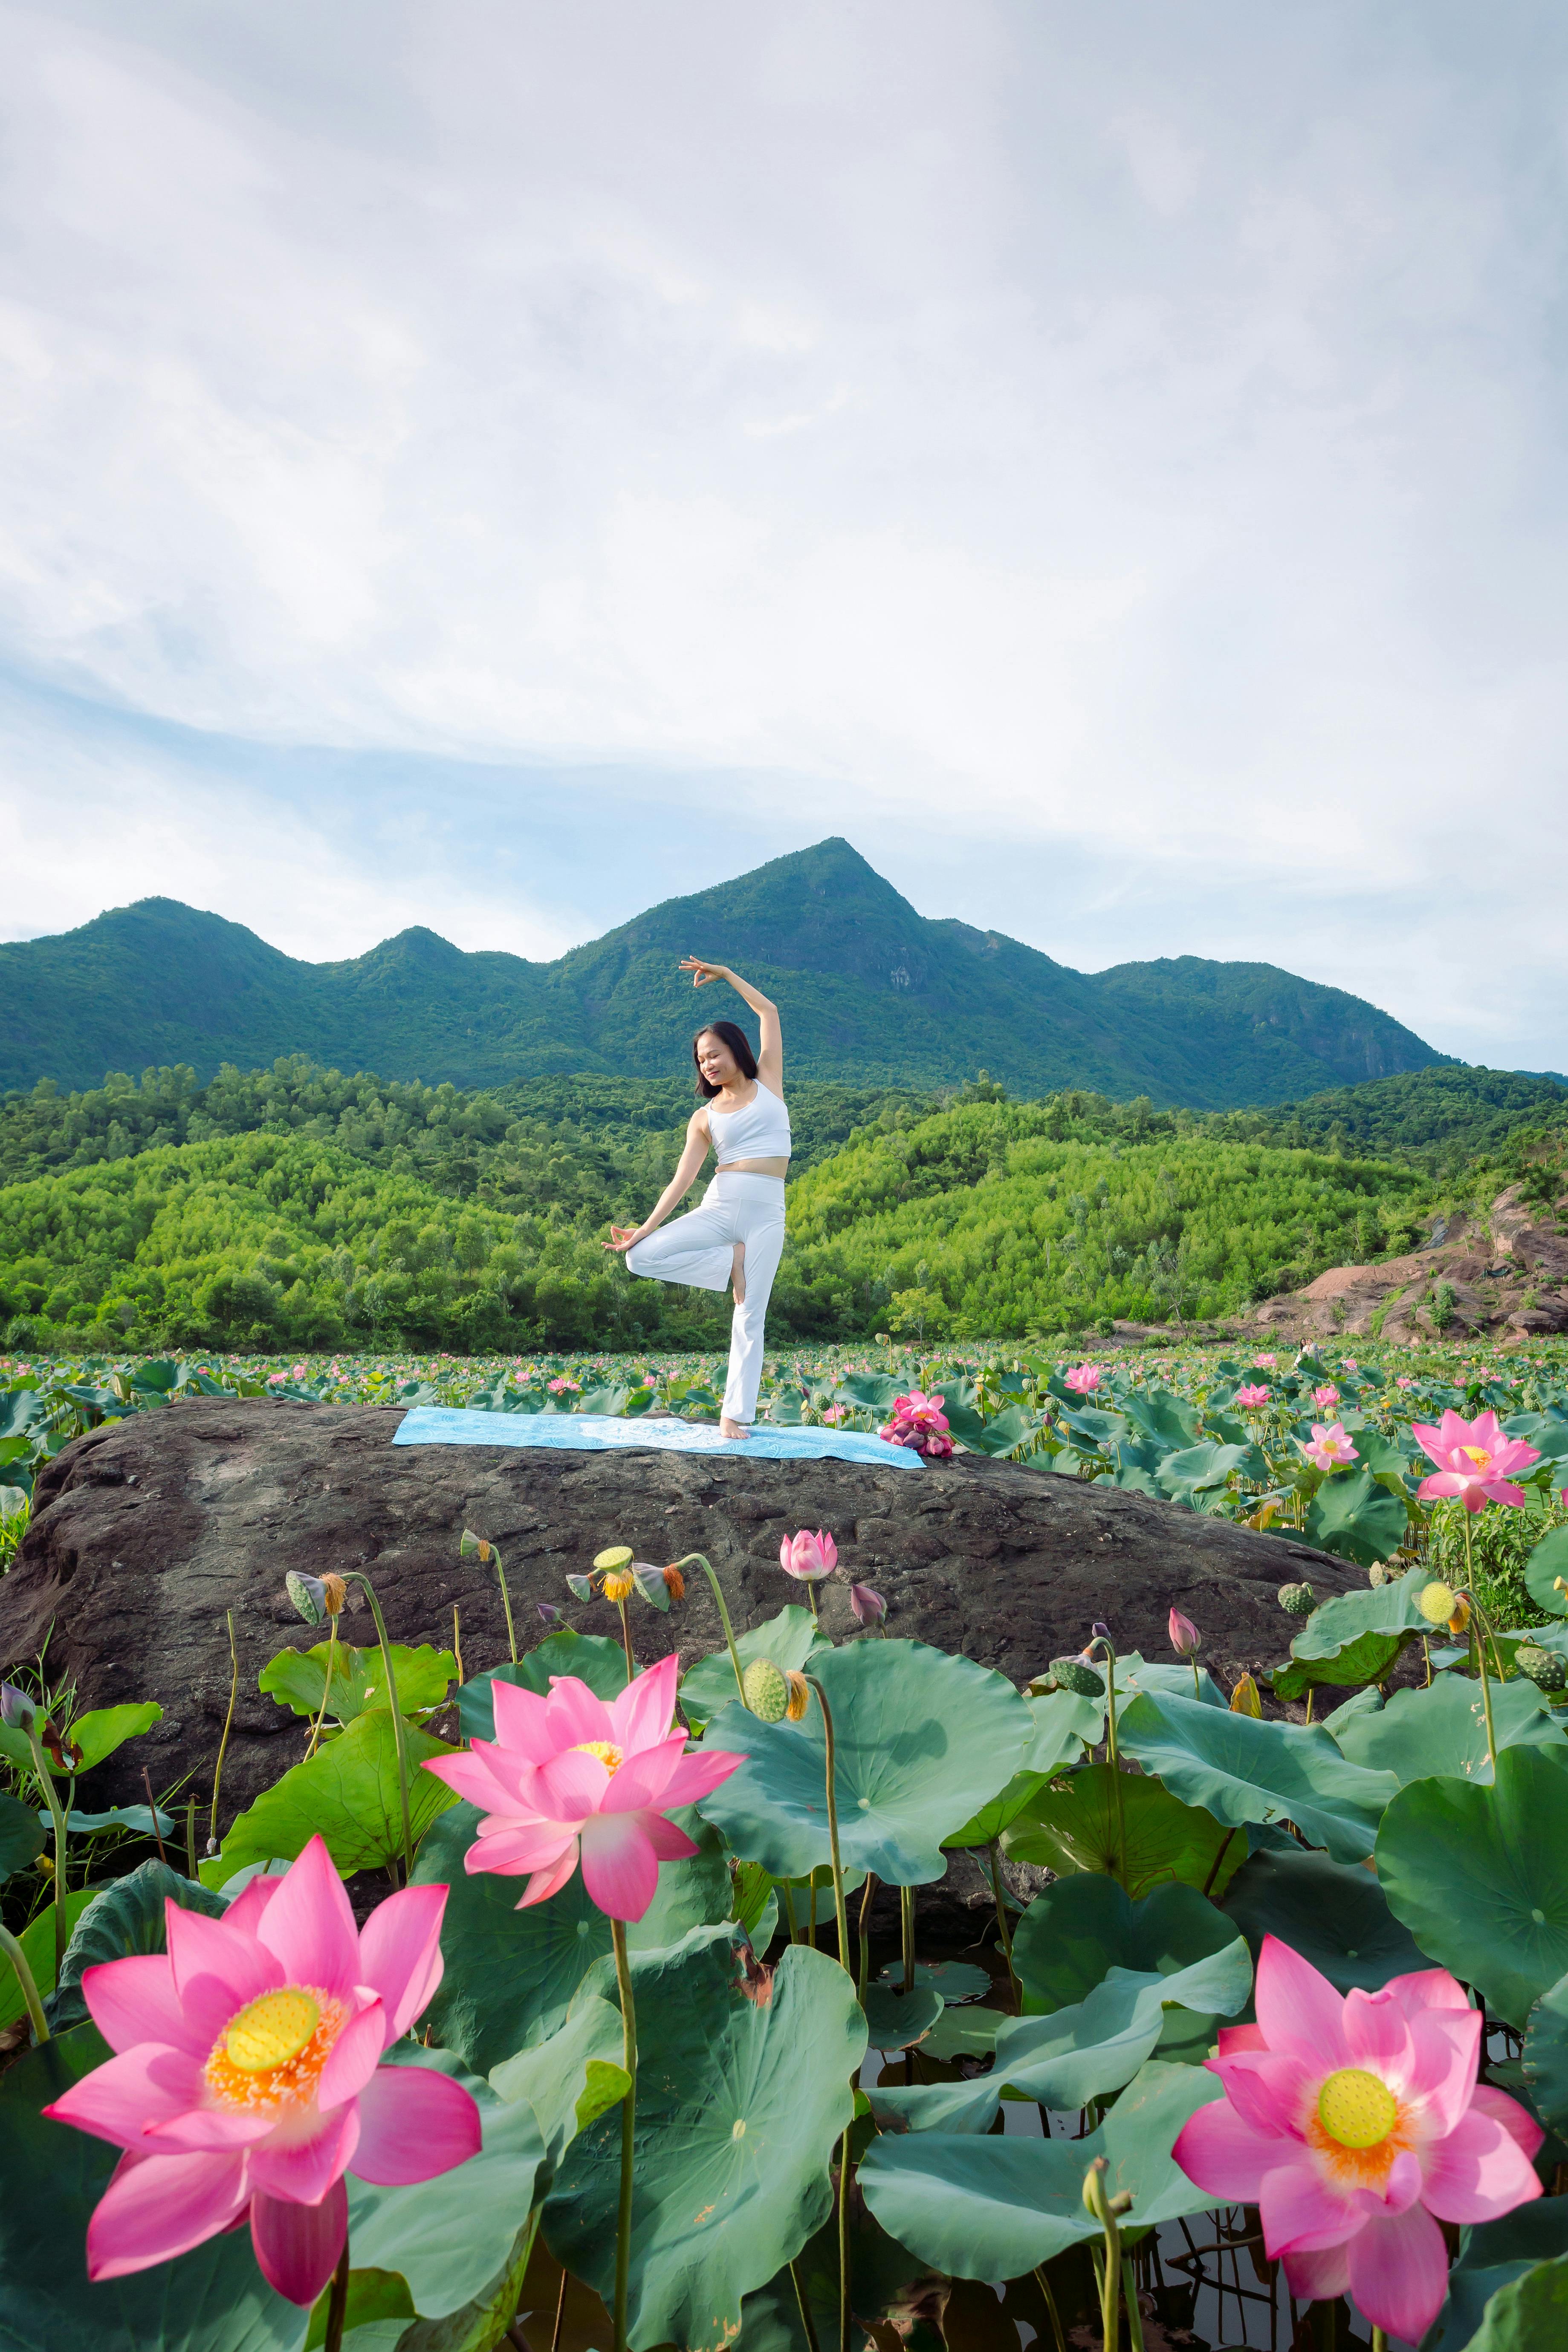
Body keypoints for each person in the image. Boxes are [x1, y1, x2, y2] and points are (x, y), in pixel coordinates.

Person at [604, 958, 790, 1439]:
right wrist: (643, 1230)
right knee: (641, 1259)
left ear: (736, 1050)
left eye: (714, 1053)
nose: (708, 1063)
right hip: (721, 1206)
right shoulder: (704, 1117)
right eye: (701, 1059)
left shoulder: (769, 1081)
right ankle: (729, 1262)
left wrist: (727, 975)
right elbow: (681, 1181)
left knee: (751, 1313)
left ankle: (735, 1416)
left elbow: (768, 1011)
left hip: (768, 1211)